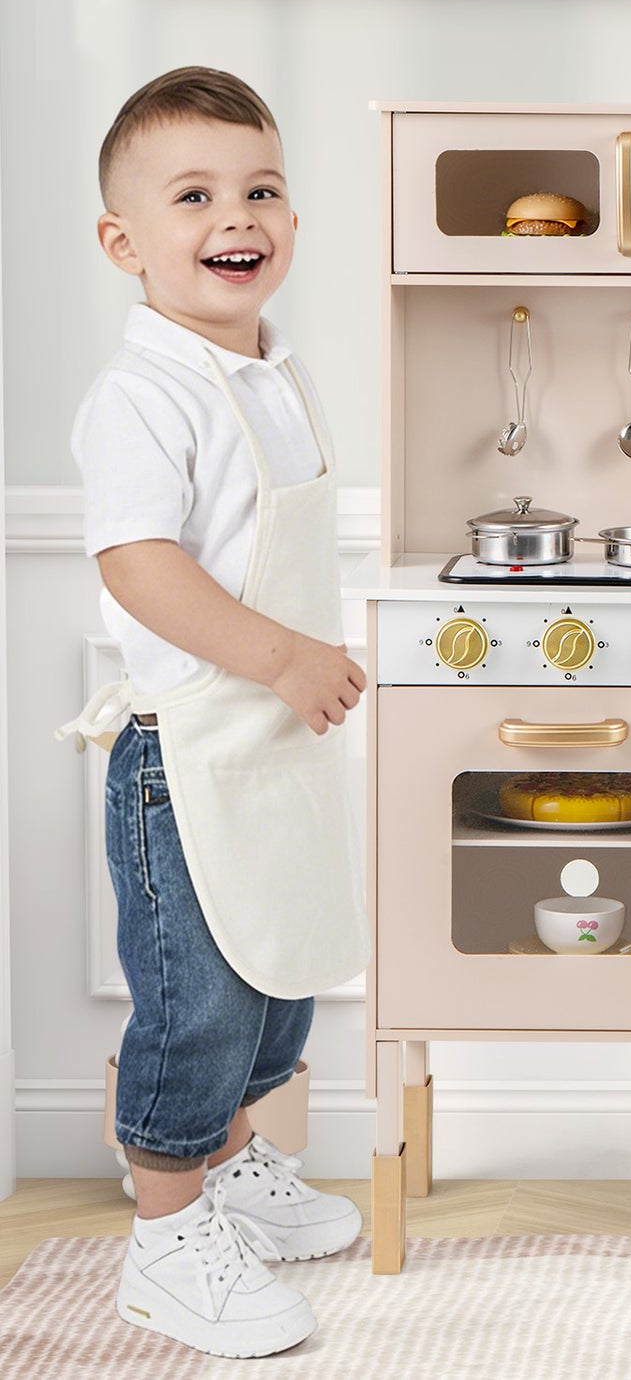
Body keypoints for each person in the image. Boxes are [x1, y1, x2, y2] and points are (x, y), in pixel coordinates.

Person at [56, 67, 371, 1356]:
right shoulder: (144, 395)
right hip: (183, 753)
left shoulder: (271, 369)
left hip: (270, 744)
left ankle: (237, 1170)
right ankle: (167, 1233)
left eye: (262, 190)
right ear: (123, 242)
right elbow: (143, 567)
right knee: (198, 1001)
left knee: (276, 978)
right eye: (195, 195)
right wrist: (289, 658)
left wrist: (298, 674)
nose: (237, 215)